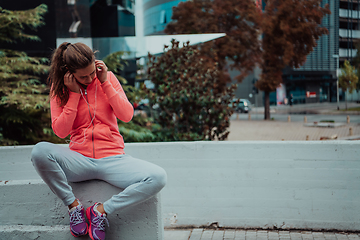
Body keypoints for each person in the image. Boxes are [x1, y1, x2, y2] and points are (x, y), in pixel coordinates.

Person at [31, 42, 167, 240]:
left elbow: (127, 115)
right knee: (39, 151)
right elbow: (60, 131)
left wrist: (105, 83)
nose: (89, 78)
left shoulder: (107, 78)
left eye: (91, 73)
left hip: (113, 159)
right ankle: (74, 207)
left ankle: (100, 211)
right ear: (69, 73)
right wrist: (74, 95)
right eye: (83, 76)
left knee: (158, 177)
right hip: (79, 160)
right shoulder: (60, 88)